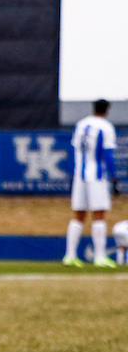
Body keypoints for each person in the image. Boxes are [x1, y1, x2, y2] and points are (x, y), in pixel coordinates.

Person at [64, 99, 118, 268]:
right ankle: (100, 257)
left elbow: (74, 151)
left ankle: (70, 255)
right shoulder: (106, 127)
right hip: (97, 176)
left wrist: (73, 175)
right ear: (107, 110)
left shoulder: (80, 125)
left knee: (78, 215)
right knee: (99, 214)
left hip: (80, 175)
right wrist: (114, 178)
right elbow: (107, 155)